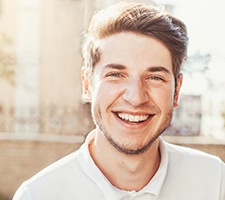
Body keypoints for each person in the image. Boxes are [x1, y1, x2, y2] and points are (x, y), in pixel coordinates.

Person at [13, 2, 225, 200]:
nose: (135, 97)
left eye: (155, 78)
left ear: (176, 91)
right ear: (87, 85)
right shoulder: (38, 194)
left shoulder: (215, 181)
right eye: (115, 75)